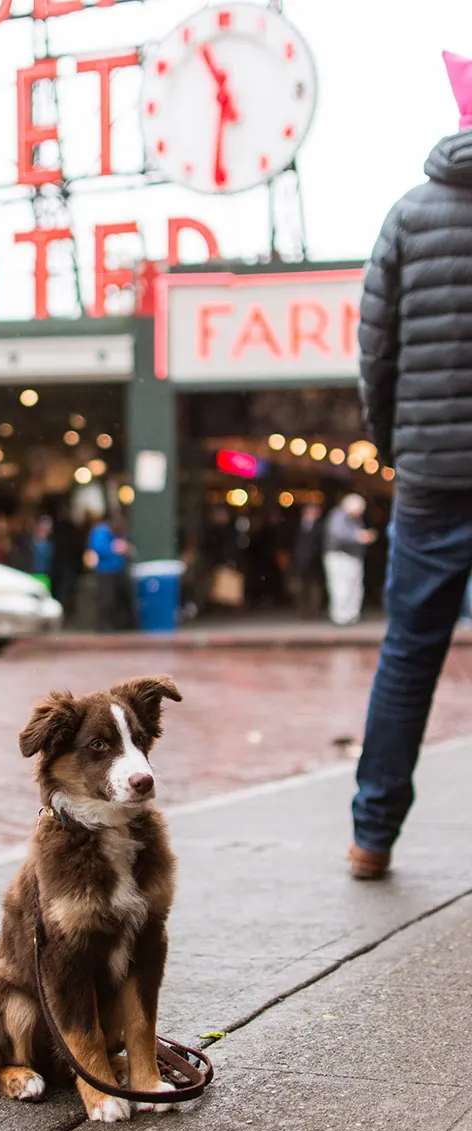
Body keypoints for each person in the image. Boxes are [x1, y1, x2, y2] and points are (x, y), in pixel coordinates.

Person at [348, 49, 472, 879]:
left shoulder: (407, 212)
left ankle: (370, 836)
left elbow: (375, 351)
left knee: (408, 654)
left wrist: (394, 443)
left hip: (429, 471)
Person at [322, 495, 376, 626]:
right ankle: (341, 616)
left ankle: (351, 614)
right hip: (340, 556)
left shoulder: (354, 519)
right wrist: (360, 537)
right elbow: (339, 534)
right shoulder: (338, 516)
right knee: (341, 586)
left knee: (354, 587)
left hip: (353, 556)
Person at [88, 515, 135, 632]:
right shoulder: (101, 531)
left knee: (122, 599)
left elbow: (127, 549)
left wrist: (127, 549)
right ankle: (105, 628)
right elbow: (98, 548)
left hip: (119, 570)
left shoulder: (118, 534)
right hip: (105, 571)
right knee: (107, 600)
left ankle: (123, 626)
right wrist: (114, 548)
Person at [291, 503, 324, 618]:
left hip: (315, 561)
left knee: (314, 587)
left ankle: (313, 610)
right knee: (300, 587)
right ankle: (302, 610)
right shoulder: (297, 525)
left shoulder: (320, 526)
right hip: (300, 561)